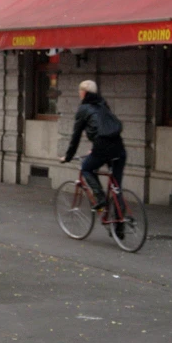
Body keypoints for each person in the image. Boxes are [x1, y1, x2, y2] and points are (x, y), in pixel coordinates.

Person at [60, 80, 126, 235]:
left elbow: (76, 136)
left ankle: (100, 198)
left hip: (102, 148)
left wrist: (68, 157)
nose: (79, 94)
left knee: (86, 168)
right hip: (119, 148)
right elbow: (105, 128)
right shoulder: (103, 104)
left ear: (83, 92)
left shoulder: (83, 109)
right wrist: (94, 148)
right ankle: (120, 225)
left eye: (79, 91)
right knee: (117, 187)